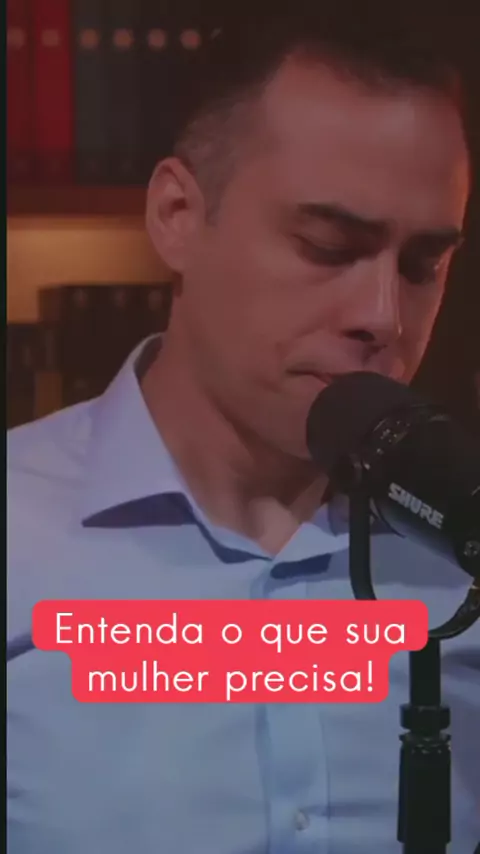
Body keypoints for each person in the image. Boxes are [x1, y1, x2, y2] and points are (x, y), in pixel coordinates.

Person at [7, 4, 479, 853]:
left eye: (423, 265)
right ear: (177, 215)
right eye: (328, 245)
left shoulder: (463, 559)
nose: (383, 316)